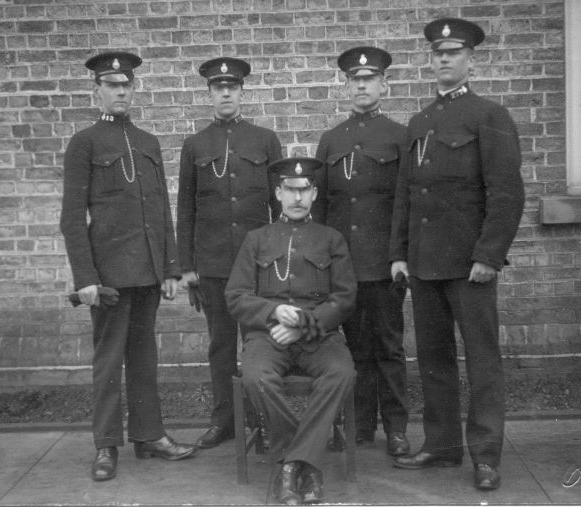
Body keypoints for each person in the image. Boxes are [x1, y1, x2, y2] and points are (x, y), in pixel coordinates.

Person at [389, 18, 525, 491]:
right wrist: (400, 255)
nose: (444, 59)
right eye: (437, 53)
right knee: (433, 357)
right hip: (424, 264)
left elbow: (506, 193)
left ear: (471, 59)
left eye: (453, 52)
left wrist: (489, 254)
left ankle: (485, 455)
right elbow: (406, 196)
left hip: (470, 266)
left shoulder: (489, 116)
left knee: (482, 359)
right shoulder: (419, 122)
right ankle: (442, 445)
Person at [60, 51, 197, 482]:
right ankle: (105, 446)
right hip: (109, 278)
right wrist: (86, 278)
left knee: (144, 359)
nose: (121, 92)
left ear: (133, 89)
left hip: (148, 274)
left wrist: (171, 268)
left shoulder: (148, 142)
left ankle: (149, 435)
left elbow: (161, 211)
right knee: (108, 361)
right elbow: (71, 217)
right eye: (112, 85)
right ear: (96, 91)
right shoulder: (84, 143)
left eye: (127, 85)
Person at [225, 157, 357, 505]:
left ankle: (293, 464)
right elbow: (236, 297)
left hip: (319, 337)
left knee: (342, 373)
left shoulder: (331, 239)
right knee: (257, 378)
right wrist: (272, 312)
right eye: (290, 191)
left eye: (304, 191)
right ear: (278, 193)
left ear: (313, 194)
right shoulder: (257, 240)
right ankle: (307, 463)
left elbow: (344, 299)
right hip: (267, 337)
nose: (297, 198)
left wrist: (302, 327)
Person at [177, 57, 283, 449]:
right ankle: (225, 422)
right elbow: (185, 210)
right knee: (221, 345)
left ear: (242, 92)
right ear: (209, 93)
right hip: (214, 265)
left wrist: (279, 259)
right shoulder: (195, 145)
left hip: (258, 266)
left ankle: (264, 422)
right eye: (218, 88)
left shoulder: (264, 140)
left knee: (261, 343)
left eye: (232, 87)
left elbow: (279, 206)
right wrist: (187, 267)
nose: (225, 93)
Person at [313, 46, 411, 457]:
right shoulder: (331, 139)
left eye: (369, 79)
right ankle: (360, 426)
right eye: (355, 79)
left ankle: (397, 429)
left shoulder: (399, 136)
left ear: (384, 84)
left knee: (388, 347)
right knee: (352, 348)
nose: (361, 85)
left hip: (384, 264)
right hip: (343, 266)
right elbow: (320, 208)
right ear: (347, 85)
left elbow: (406, 202)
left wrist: (399, 256)